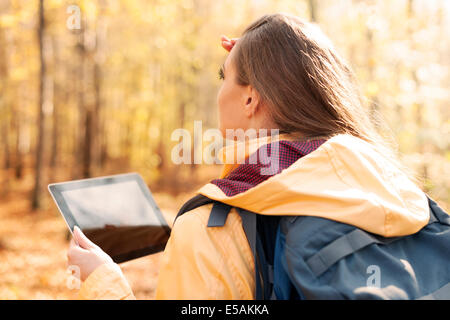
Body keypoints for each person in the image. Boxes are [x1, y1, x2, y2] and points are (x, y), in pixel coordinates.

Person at [67, 13, 430, 300]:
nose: (219, 90)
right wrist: (266, 52)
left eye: (222, 77)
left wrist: (103, 286)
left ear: (249, 99)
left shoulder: (211, 227)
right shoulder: (397, 192)